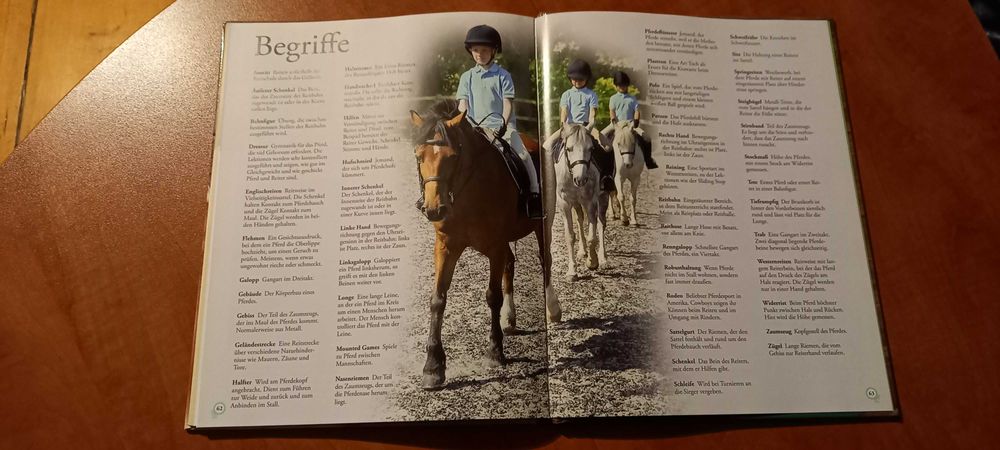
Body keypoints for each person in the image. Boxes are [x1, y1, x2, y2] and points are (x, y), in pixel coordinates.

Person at [456, 24, 543, 219]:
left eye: (485, 50)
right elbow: (463, 105)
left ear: (494, 51)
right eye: (476, 50)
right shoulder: (466, 77)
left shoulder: (503, 76)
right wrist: (466, 124)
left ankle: (534, 194)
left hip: (501, 127)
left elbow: (507, 104)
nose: (480, 54)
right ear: (470, 51)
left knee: (522, 154)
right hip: (476, 128)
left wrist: (504, 123)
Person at [601, 71, 658, 169]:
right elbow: (612, 111)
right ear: (616, 86)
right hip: (617, 123)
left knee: (647, 138)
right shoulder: (613, 98)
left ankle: (648, 160)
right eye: (619, 85)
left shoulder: (632, 98)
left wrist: (636, 121)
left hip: (630, 123)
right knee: (600, 136)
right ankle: (604, 163)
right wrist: (614, 121)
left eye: (624, 85)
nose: (622, 87)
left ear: (627, 85)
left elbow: (636, 110)